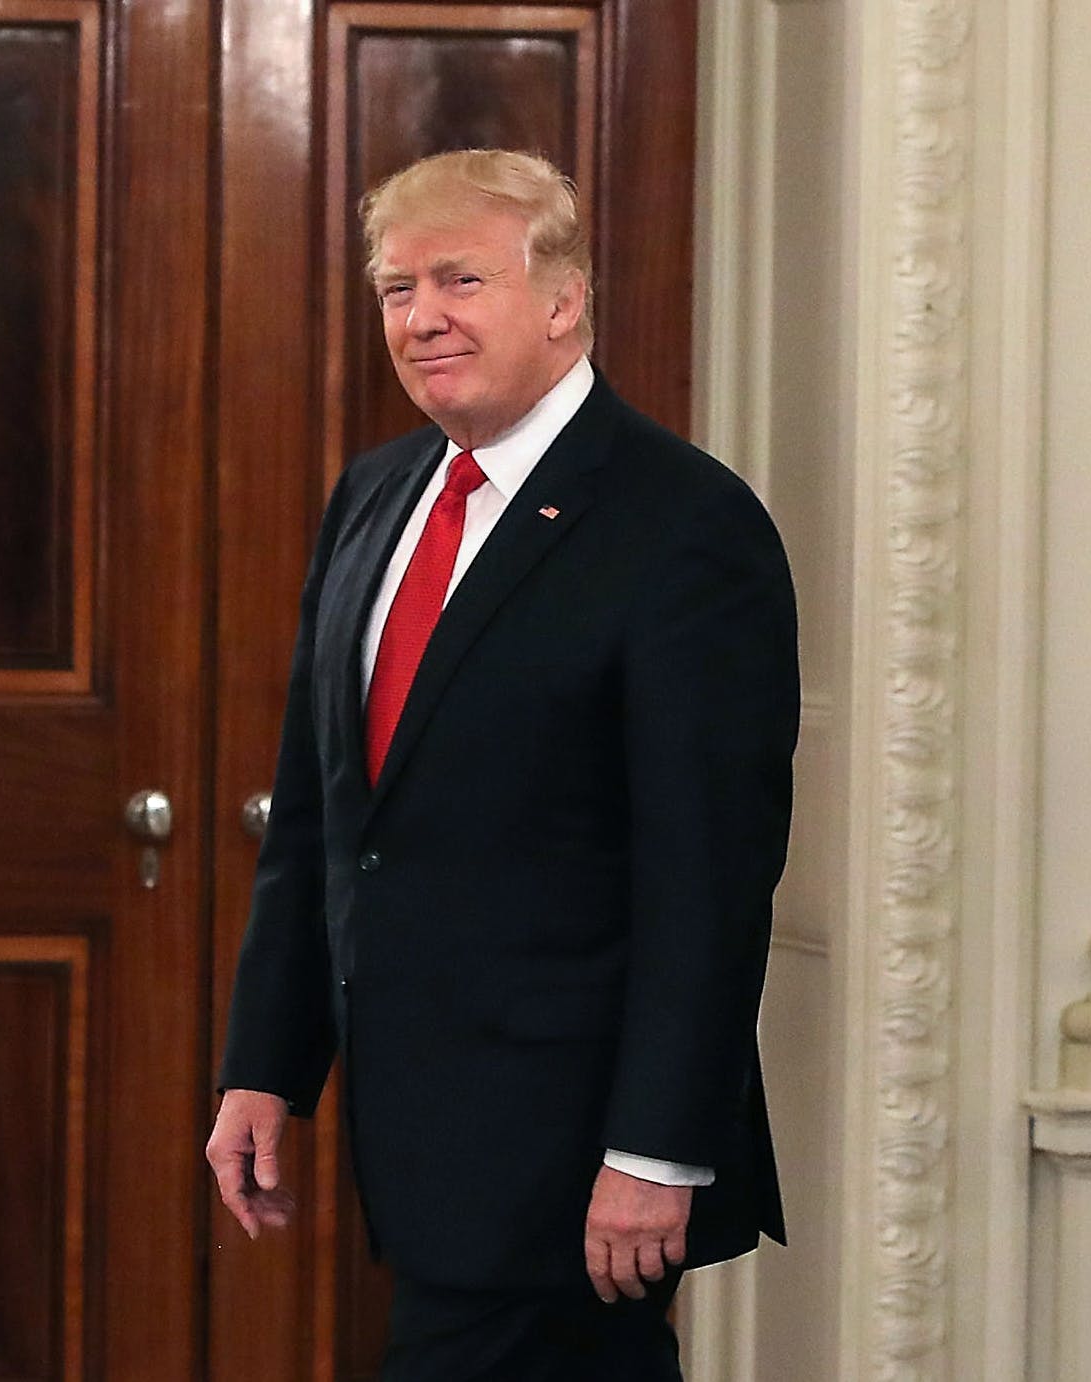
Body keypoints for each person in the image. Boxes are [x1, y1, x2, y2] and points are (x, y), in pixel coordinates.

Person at [202, 149, 797, 1381]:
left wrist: (657, 1150)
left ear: (563, 299)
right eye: (396, 287)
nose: (421, 318)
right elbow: (322, 816)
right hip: (419, 1136)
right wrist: (267, 1063)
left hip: (576, 1151)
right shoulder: (375, 495)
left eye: (459, 279)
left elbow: (710, 875)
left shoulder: (685, 523)